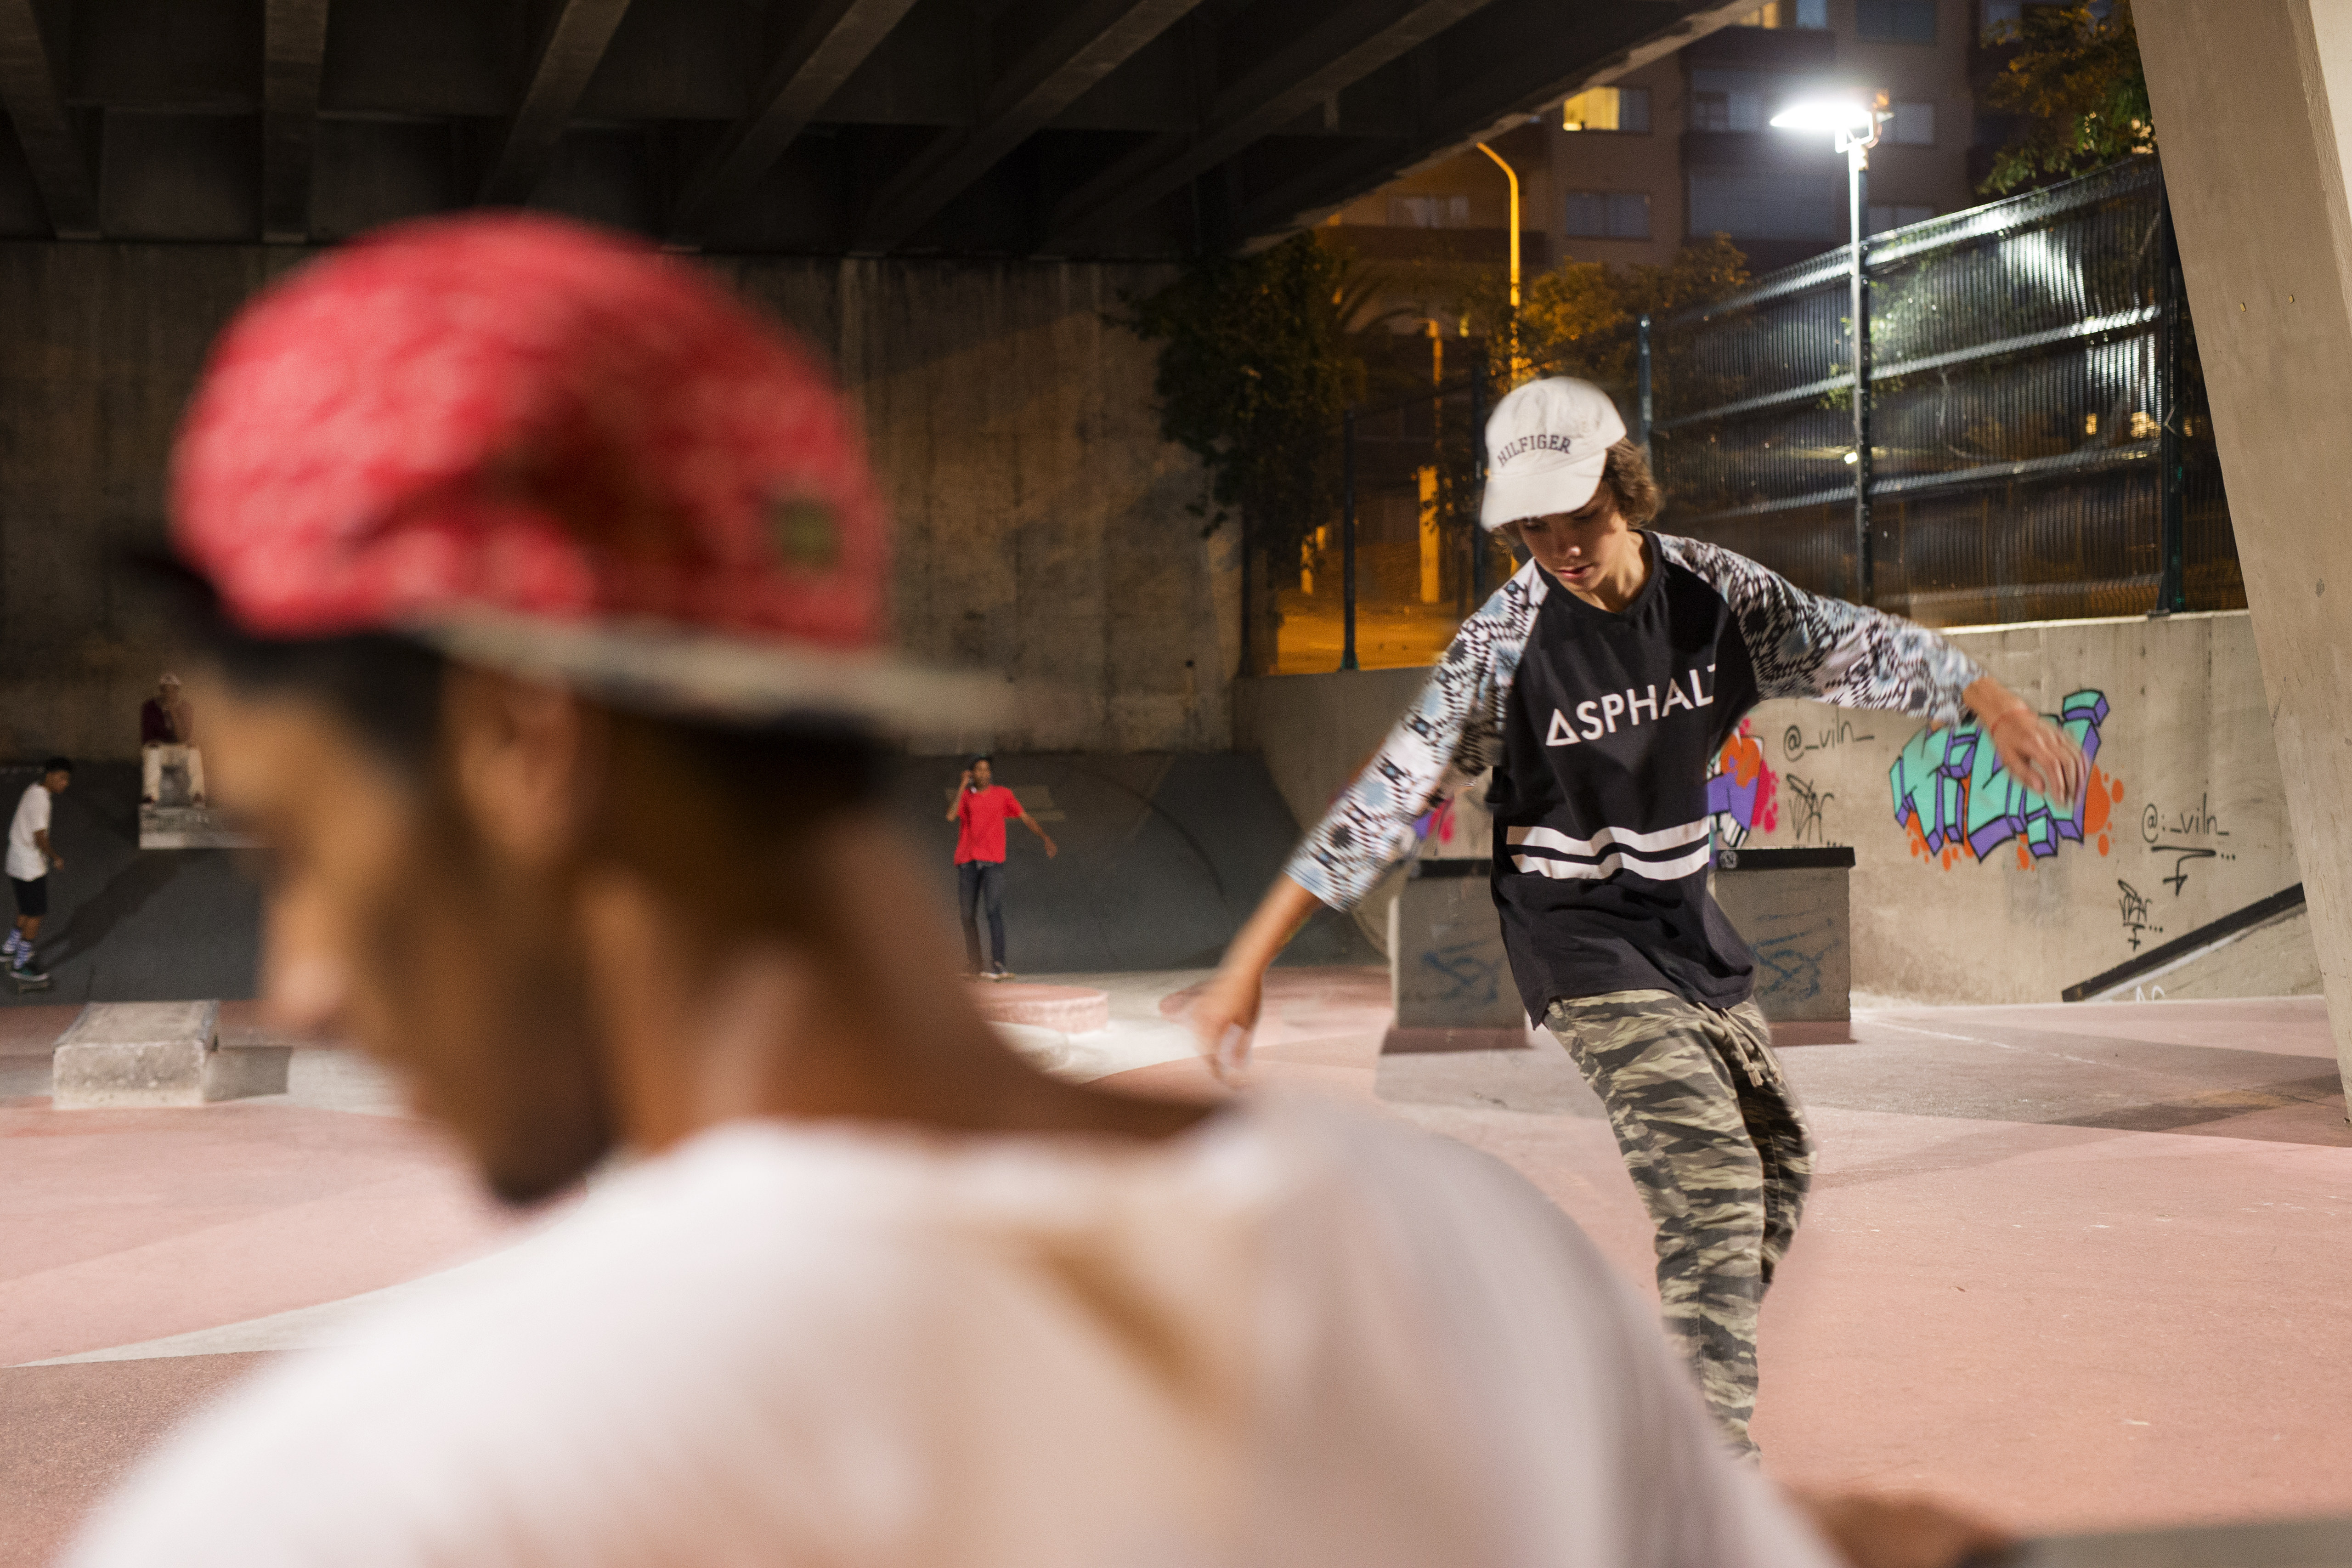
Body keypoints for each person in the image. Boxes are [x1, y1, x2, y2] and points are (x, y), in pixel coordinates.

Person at [69, 218, 2002, 1568]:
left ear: (522, 742)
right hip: (1590, 961)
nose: (295, 978)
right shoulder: (1471, 1274)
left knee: (1749, 1168)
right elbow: (1389, 788)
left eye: (307, 848)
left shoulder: (369, 1504)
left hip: (1672, 942)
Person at [1191, 376, 2088, 1457]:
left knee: (1775, 1163)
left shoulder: (1716, 594)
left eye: (1581, 517)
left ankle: (1640, 1395)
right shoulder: (1502, 643)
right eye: (1534, 530)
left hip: (1682, 922)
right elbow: (1386, 796)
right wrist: (1248, 959)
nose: (1562, 549)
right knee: (1711, 1179)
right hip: (1573, 934)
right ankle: (1699, 1466)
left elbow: (1853, 644)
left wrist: (1991, 702)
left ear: (1625, 488)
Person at [947, 753, 1056, 979]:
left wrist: (1045, 837)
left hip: (993, 862)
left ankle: (999, 964)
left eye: (987, 769)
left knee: (993, 911)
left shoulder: (1002, 794)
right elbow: (950, 816)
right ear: (972, 774)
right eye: (978, 770)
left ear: (991, 773)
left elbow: (1025, 817)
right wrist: (962, 786)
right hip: (968, 862)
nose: (983, 774)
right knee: (967, 915)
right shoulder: (966, 796)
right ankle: (975, 965)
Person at [5, 756, 70, 980]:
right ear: (50, 776)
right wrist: (55, 857)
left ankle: (9, 949)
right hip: (29, 866)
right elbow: (40, 837)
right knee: (36, 914)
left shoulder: (34, 789)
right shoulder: (41, 801)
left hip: (16, 860)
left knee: (25, 908)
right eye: (62, 778)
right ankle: (20, 965)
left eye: (67, 779)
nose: (65, 784)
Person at [139, 671, 208, 807]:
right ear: (161, 691)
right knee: (152, 751)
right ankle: (150, 797)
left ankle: (197, 795)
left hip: (179, 749)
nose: (169, 694)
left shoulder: (185, 707)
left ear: (177, 691)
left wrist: (173, 710)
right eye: (166, 690)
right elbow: (148, 738)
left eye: (173, 691)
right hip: (160, 751)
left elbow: (184, 738)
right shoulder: (149, 707)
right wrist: (155, 743)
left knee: (194, 751)